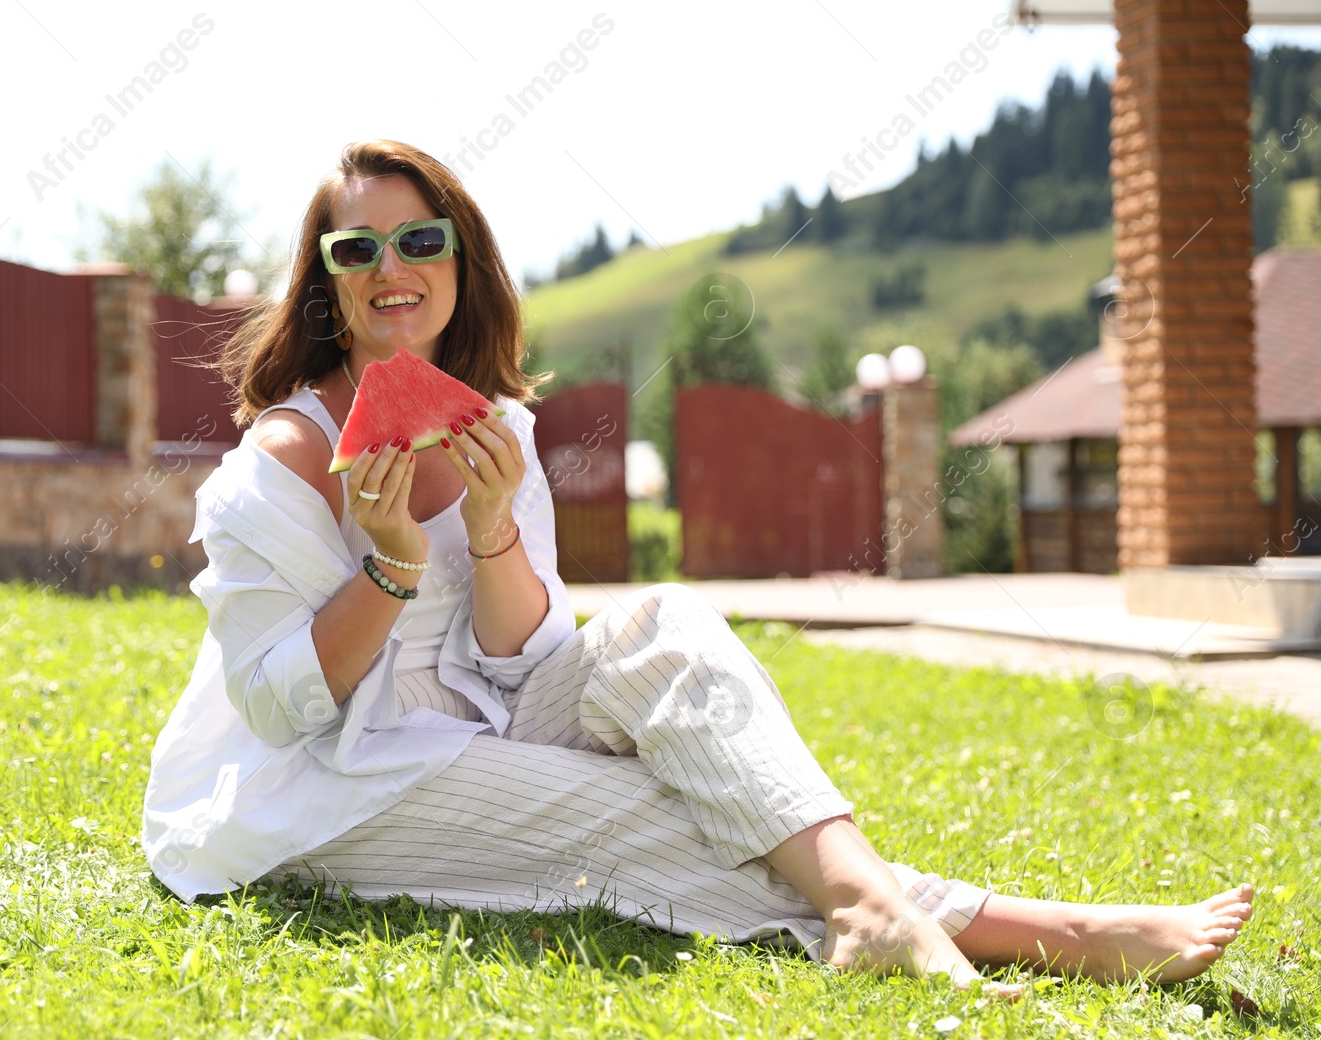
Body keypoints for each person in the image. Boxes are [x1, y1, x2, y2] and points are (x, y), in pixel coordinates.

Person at [141, 139, 1253, 994]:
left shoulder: (500, 432)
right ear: (326, 281)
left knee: (663, 619)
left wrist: (487, 525)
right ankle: (1057, 931)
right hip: (331, 781)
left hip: (478, 716)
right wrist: (386, 564)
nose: (393, 269)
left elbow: (524, 655)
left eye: (420, 240)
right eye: (357, 249)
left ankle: (866, 900)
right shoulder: (275, 465)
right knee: (648, 808)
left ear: (459, 259)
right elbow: (280, 709)